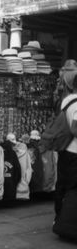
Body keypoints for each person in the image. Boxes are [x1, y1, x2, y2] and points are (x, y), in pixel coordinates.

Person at [54, 68, 77, 219]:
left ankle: (60, 217)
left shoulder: (66, 101)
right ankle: (65, 220)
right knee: (71, 187)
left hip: (65, 149)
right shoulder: (76, 104)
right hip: (74, 153)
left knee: (62, 185)